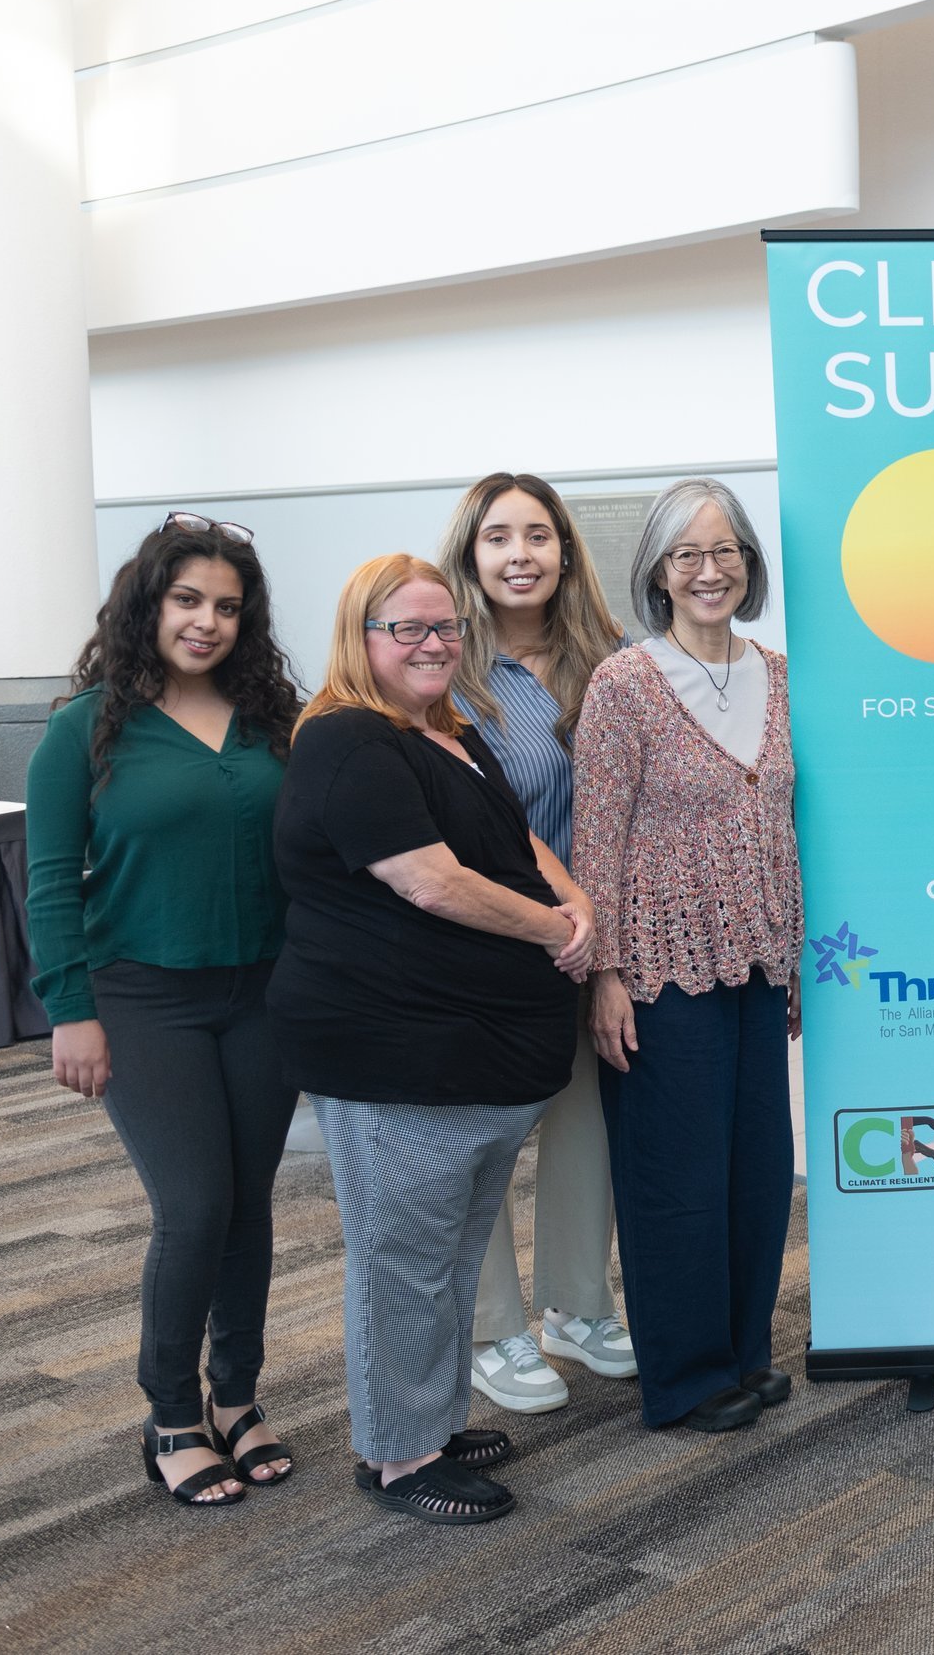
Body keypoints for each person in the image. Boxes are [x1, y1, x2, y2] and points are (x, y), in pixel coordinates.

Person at [271, 554, 591, 1525]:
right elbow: (430, 879)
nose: (431, 644)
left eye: (444, 627)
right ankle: (400, 1455)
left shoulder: (448, 731)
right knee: (403, 1258)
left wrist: (574, 897)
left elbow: (515, 837)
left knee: (447, 1255)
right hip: (394, 1054)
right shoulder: (347, 740)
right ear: (360, 639)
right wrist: (555, 932)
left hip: (475, 1057)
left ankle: (431, 1417)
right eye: (405, 629)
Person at [25, 513, 305, 1507]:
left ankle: (236, 1395)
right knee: (192, 1207)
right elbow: (52, 878)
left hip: (262, 993)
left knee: (248, 1206)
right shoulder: (85, 727)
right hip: (143, 996)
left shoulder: (273, 718)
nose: (207, 621)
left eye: (228, 606)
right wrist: (70, 1006)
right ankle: (171, 1414)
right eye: (188, 599)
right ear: (150, 604)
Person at [573, 478, 802, 1434]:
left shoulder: (781, 672)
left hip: (759, 964)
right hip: (660, 972)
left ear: (749, 563)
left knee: (757, 1168)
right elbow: (596, 839)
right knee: (677, 1180)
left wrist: (791, 950)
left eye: (726, 552)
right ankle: (686, 1377)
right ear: (658, 574)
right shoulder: (625, 683)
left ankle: (745, 1354)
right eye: (686, 556)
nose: (710, 571)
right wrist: (608, 975)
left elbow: (786, 816)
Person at [438, 473, 634, 1415]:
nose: (520, 554)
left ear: (566, 551)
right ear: (470, 554)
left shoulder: (614, 662)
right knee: (482, 1146)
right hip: (488, 940)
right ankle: (489, 1329)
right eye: (498, 537)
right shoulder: (444, 674)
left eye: (538, 536)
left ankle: (576, 1307)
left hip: (590, 944)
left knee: (585, 1127)